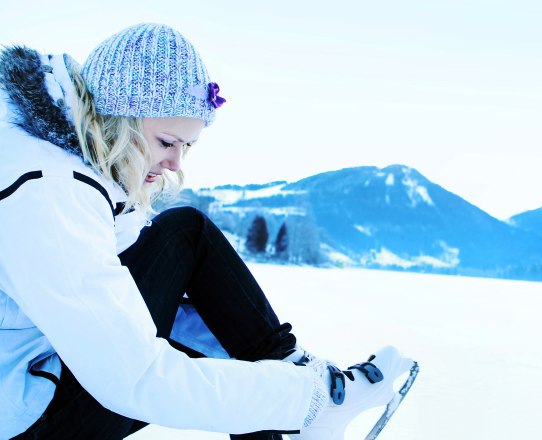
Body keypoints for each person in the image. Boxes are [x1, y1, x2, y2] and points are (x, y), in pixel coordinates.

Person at [0, 23, 413, 439]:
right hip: (26, 416)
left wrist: (278, 374)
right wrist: (304, 398)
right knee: (185, 234)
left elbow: (129, 305)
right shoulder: (49, 192)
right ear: (116, 117)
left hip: (44, 372)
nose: (177, 162)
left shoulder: (77, 168)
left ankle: (304, 407)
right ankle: (311, 411)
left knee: (187, 242)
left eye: (187, 146)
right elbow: (134, 378)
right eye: (167, 141)